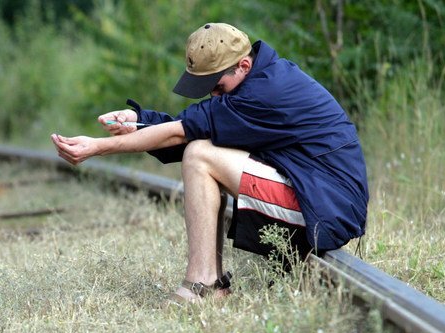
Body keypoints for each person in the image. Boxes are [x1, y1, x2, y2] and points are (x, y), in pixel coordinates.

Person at [51, 22, 369, 304]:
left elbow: (183, 133)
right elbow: (196, 126)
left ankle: (203, 284)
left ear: (243, 65)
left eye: (217, 87)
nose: (214, 96)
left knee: (200, 156)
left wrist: (98, 147)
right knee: (201, 149)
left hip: (328, 207)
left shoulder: (264, 93)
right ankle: (209, 282)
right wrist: (139, 120)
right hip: (317, 192)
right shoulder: (258, 80)